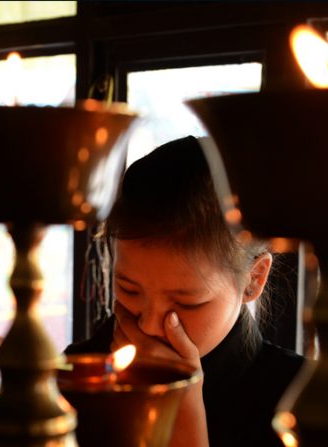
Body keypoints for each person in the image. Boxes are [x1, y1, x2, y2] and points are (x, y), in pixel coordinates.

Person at [65, 136, 304, 447]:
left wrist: (185, 416)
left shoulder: (303, 406)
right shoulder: (74, 377)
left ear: (254, 279)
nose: (150, 326)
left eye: (186, 303)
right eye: (129, 290)